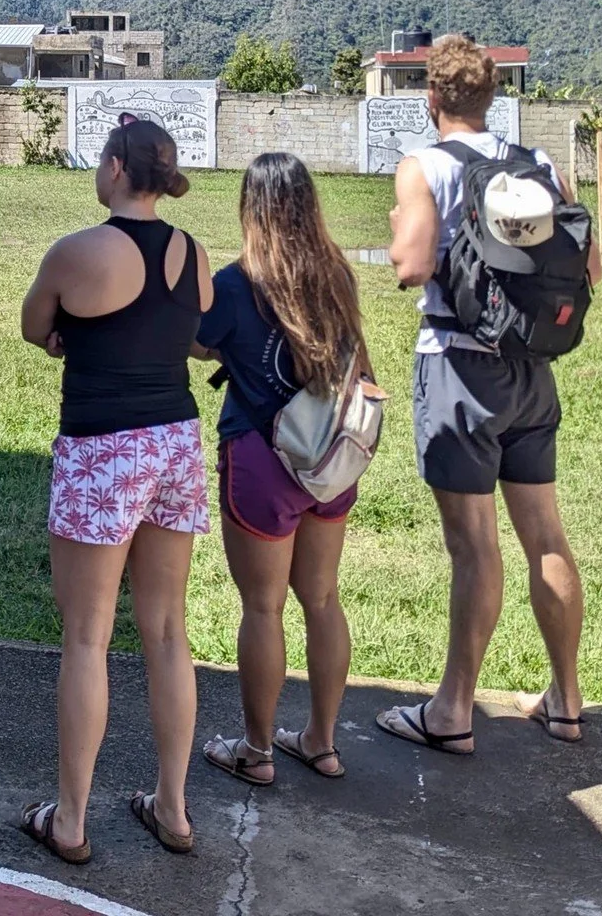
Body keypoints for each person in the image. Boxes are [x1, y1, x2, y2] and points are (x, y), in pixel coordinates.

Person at [380, 35, 601, 754]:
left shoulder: (425, 167)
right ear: (493, 97)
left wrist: (402, 236)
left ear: (432, 98)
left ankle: (451, 711)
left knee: (473, 547)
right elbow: (589, 261)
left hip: (459, 370)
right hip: (533, 370)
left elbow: (410, 267)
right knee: (546, 535)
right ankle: (566, 702)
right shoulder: (537, 164)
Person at [19, 116, 213, 864]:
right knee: (167, 631)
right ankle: (173, 805)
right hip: (175, 442)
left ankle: (69, 820)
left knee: (88, 636)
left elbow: (36, 325)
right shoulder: (192, 252)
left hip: (103, 449)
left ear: (113, 168)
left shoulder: (78, 251)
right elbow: (192, 335)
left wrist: (73, 331)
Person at [198, 152, 373, 786]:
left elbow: (196, 339)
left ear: (251, 209)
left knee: (263, 608)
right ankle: (321, 743)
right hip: (332, 460)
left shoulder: (235, 284)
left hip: (260, 461)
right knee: (322, 599)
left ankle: (256, 750)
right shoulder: (337, 278)